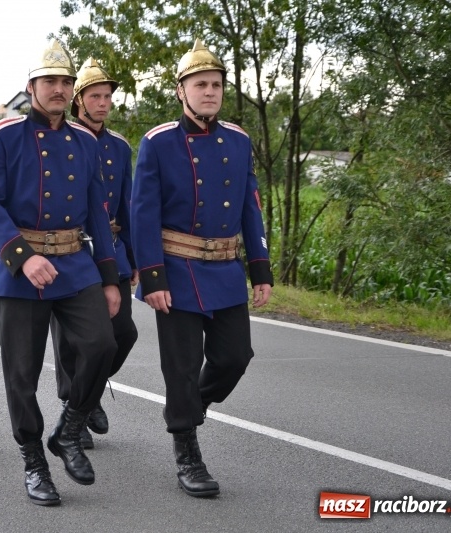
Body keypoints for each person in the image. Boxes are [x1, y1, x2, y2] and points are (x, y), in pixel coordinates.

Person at [0, 40, 120, 506]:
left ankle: (69, 429)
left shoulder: (84, 141)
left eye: (65, 82)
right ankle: (34, 459)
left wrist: (111, 277)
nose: (59, 89)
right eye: (50, 82)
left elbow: (98, 214)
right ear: (31, 87)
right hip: (21, 269)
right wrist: (21, 256)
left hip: (76, 264)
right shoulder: (4, 135)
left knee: (102, 344)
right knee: (22, 373)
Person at [130, 39, 273, 498]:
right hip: (176, 269)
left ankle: (193, 406)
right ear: (181, 90)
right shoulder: (157, 143)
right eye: (200, 84)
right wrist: (151, 276)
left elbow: (251, 208)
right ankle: (186, 449)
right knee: (182, 366)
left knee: (235, 357)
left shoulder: (239, 140)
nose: (209, 92)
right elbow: (142, 214)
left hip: (226, 268)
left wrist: (261, 267)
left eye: (215, 84)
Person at [50, 58, 138, 449]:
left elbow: (128, 207)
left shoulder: (120, 147)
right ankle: (76, 409)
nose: (103, 103)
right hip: (70, 250)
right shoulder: (62, 136)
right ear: (78, 101)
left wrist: (133, 257)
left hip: (112, 249)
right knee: (73, 341)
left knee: (124, 332)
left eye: (107, 97)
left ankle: (90, 392)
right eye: (95, 96)